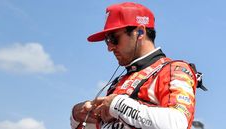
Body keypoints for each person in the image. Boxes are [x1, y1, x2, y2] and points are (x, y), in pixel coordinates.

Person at [70, 2, 200, 129]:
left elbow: (177, 124)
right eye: (107, 40)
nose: (110, 47)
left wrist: (117, 104)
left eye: (113, 38)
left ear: (140, 32)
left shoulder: (175, 69)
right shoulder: (118, 83)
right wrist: (76, 116)